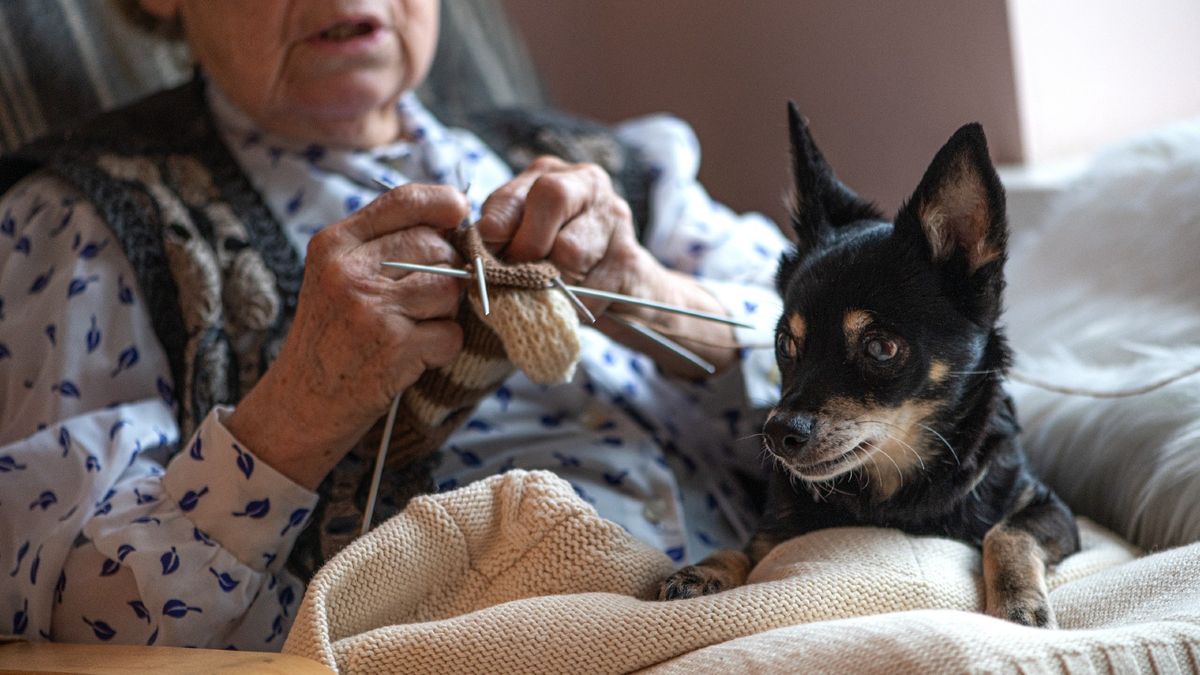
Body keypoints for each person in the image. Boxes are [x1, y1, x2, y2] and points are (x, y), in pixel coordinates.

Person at [0, 0, 786, 649]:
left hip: (779, 599)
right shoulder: (80, 228)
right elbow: (74, 622)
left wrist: (647, 294)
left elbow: (884, 371)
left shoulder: (605, 165)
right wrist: (300, 410)